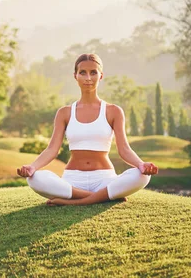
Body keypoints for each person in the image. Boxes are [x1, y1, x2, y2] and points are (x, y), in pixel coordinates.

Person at [16, 53, 158, 206]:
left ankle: (74, 202)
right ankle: (102, 197)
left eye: (93, 72)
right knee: (35, 179)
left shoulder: (113, 111)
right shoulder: (64, 112)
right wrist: (32, 167)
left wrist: (141, 164)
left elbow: (124, 149)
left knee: (143, 176)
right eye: (82, 72)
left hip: (105, 178)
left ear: (101, 76)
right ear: (75, 76)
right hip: (73, 180)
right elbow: (52, 149)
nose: (88, 78)